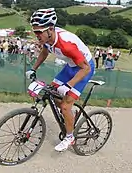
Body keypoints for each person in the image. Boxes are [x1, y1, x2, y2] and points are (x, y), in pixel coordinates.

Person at [25, 8, 95, 152]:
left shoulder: (66, 44)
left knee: (65, 106)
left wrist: (69, 85)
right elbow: (44, 52)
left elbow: (86, 69)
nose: (36, 35)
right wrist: (34, 69)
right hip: (70, 66)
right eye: (34, 31)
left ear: (50, 29)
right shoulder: (48, 38)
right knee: (52, 93)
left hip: (84, 68)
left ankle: (70, 137)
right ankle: (71, 116)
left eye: (39, 32)